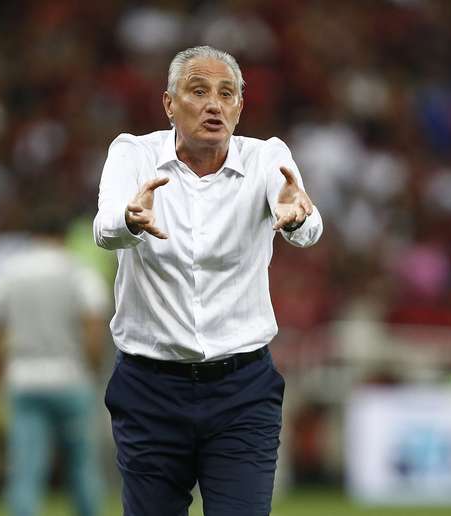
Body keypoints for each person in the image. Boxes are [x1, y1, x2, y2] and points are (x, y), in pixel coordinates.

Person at [93, 45, 323, 515]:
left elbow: (307, 222)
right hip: (149, 387)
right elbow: (105, 229)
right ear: (169, 104)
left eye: (227, 93)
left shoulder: (266, 158)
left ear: (240, 106)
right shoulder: (132, 154)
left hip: (241, 389)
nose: (214, 104)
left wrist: (298, 218)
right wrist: (131, 220)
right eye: (198, 91)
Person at [0, 210, 110, 516]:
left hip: (24, 377)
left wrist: (0, 372)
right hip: (71, 377)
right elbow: (93, 327)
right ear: (64, 235)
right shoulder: (77, 271)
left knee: (26, 469)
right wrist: (92, 371)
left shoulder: (10, 272)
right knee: (82, 467)